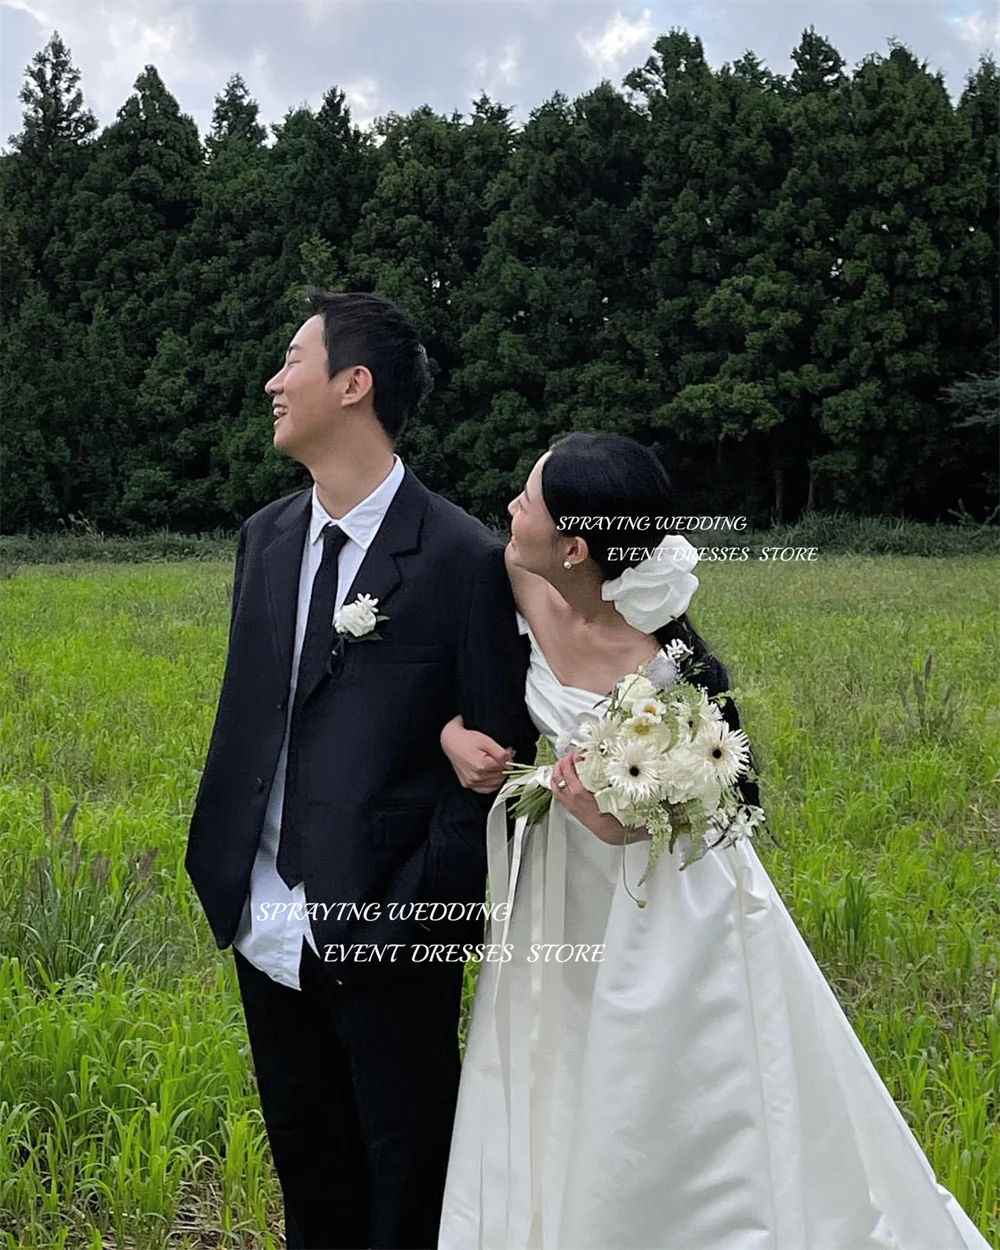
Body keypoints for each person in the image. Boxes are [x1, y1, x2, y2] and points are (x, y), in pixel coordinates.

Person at [436, 432, 990, 1250]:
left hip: (673, 894)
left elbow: (707, 797)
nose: (510, 507)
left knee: (670, 1068)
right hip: (559, 888)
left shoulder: (665, 667)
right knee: (555, 1058)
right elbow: (452, 679)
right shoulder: (517, 575)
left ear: (576, 546)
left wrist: (624, 818)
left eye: (528, 499)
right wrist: (453, 734)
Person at [184, 287, 536, 1250]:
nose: (272, 380)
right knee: (308, 1161)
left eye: (292, 359)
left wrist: (422, 903)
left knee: (405, 1171)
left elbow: (499, 761)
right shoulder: (264, 539)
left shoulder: (462, 556)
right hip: (262, 910)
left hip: (392, 923)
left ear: (353, 383)